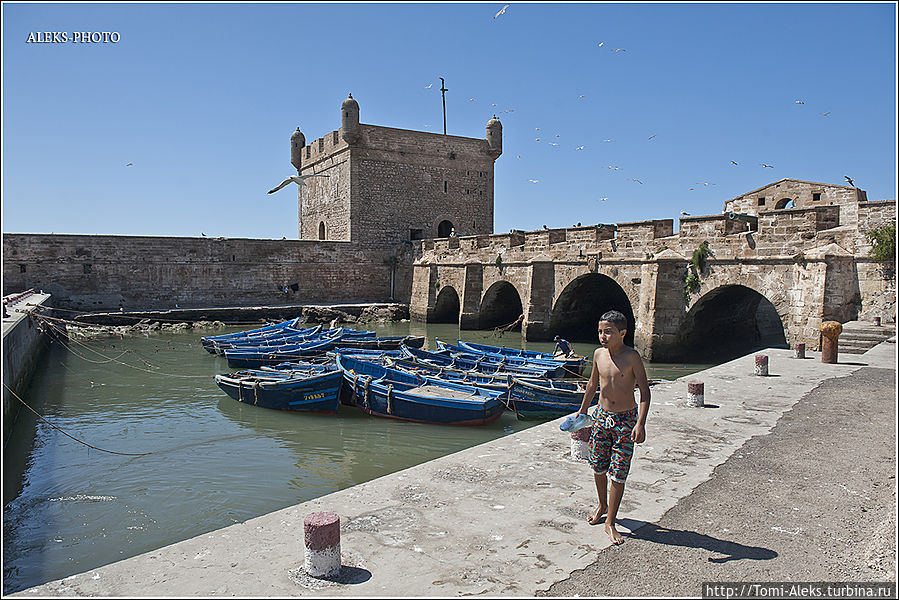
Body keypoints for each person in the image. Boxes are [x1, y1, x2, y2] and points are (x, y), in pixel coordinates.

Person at [576, 310, 651, 545]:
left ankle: (611, 521)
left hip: (625, 421)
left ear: (623, 333)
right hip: (601, 418)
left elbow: (645, 393)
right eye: (600, 331)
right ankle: (602, 505)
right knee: (598, 466)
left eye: (608, 332)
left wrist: (640, 423)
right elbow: (592, 383)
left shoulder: (632, 357)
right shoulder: (598, 355)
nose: (603, 336)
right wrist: (583, 410)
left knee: (618, 472)